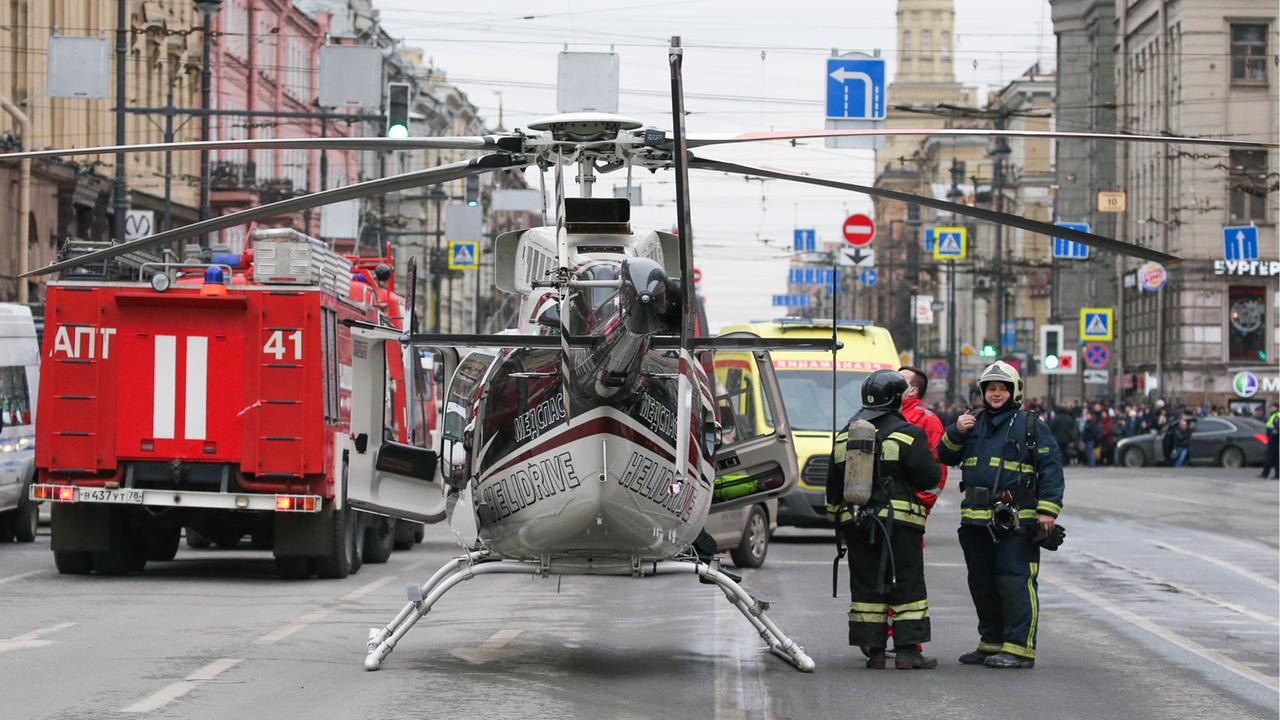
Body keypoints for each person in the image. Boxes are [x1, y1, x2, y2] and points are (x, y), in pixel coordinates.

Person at [937, 361, 1064, 669]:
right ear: (983, 392)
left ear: (1014, 391)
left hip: (1015, 520)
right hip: (975, 520)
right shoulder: (973, 422)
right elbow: (945, 455)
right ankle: (991, 642)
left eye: (1002, 389)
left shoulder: (1030, 424)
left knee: (1014, 581)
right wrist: (955, 430)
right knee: (982, 583)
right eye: (991, 389)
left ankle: (1019, 648)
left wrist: (1047, 512)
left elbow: (1051, 469)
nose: (996, 394)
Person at [827, 370, 942, 670]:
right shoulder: (908, 434)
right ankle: (907, 652)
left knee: (866, 586)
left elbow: (832, 490)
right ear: (894, 398)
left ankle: (875, 652)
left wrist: (840, 528)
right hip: (899, 526)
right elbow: (929, 477)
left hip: (856, 523)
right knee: (906, 584)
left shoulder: (844, 435)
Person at [898, 366, 948, 513]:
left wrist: (918, 505)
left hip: (908, 513)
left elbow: (938, 469)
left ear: (913, 391)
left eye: (899, 380)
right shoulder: (883, 414)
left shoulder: (928, 421)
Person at [1260, 403, 1278, 479]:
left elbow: (1277, 428)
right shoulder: (1273, 415)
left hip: (1275, 440)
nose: (1270, 408)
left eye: (1272, 407)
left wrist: (1271, 434)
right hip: (1274, 439)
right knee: (1275, 458)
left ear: (1276, 408)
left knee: (1270, 457)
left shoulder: (1276, 416)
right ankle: (1275, 475)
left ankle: (1266, 474)